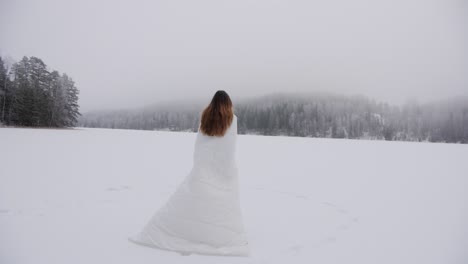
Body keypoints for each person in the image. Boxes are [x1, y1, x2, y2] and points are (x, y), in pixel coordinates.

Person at [128, 90, 250, 257]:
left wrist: (200, 168)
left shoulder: (205, 117)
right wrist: (226, 172)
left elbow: (200, 146)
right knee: (223, 206)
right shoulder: (232, 120)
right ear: (228, 103)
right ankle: (218, 237)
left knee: (192, 201)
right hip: (223, 170)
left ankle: (189, 231)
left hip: (202, 169)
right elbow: (229, 150)